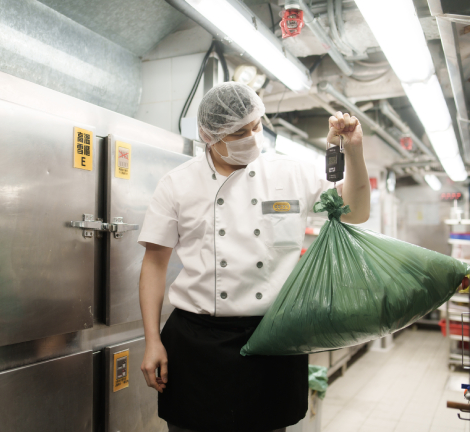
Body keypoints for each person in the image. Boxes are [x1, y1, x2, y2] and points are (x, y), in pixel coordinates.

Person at [138, 82, 370, 432]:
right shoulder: (177, 184)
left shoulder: (292, 173)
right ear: (208, 135)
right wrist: (152, 340)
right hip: (197, 342)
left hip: (274, 338)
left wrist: (353, 153)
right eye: (238, 133)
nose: (251, 137)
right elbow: (154, 264)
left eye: (256, 126)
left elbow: (355, 213)